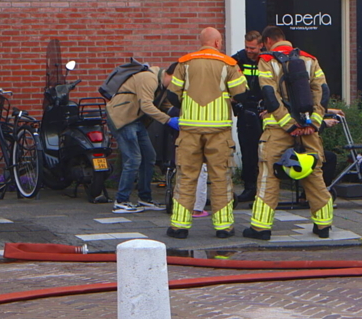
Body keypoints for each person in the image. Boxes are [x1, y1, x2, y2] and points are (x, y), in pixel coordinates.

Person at [243, 26, 334, 240]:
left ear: (267, 41)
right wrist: (313, 124)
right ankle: (323, 226)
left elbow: (269, 94)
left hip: (278, 129)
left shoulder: (267, 60)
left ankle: (261, 228)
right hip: (310, 127)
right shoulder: (311, 60)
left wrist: (289, 124)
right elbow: (322, 92)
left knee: (269, 174)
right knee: (314, 173)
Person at [166, 27, 247, 239]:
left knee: (186, 177)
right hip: (218, 132)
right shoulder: (229, 64)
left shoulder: (184, 63)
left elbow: (172, 95)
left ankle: (179, 227)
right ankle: (223, 227)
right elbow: (242, 94)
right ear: (218, 43)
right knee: (221, 178)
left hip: (189, 131)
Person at [106, 63, 175, 213]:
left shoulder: (163, 86)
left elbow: (166, 106)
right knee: (133, 158)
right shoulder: (148, 78)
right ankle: (121, 200)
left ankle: (145, 199)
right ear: (171, 75)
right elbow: (147, 106)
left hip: (136, 120)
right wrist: (169, 120)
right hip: (122, 118)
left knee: (149, 156)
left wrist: (178, 115)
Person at [231, 31, 264, 204]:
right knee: (248, 151)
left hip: (264, 111)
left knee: (266, 151)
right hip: (245, 111)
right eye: (247, 47)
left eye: (253, 48)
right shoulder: (237, 60)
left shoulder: (266, 60)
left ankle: (265, 187)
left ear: (261, 45)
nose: (250, 51)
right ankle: (250, 187)